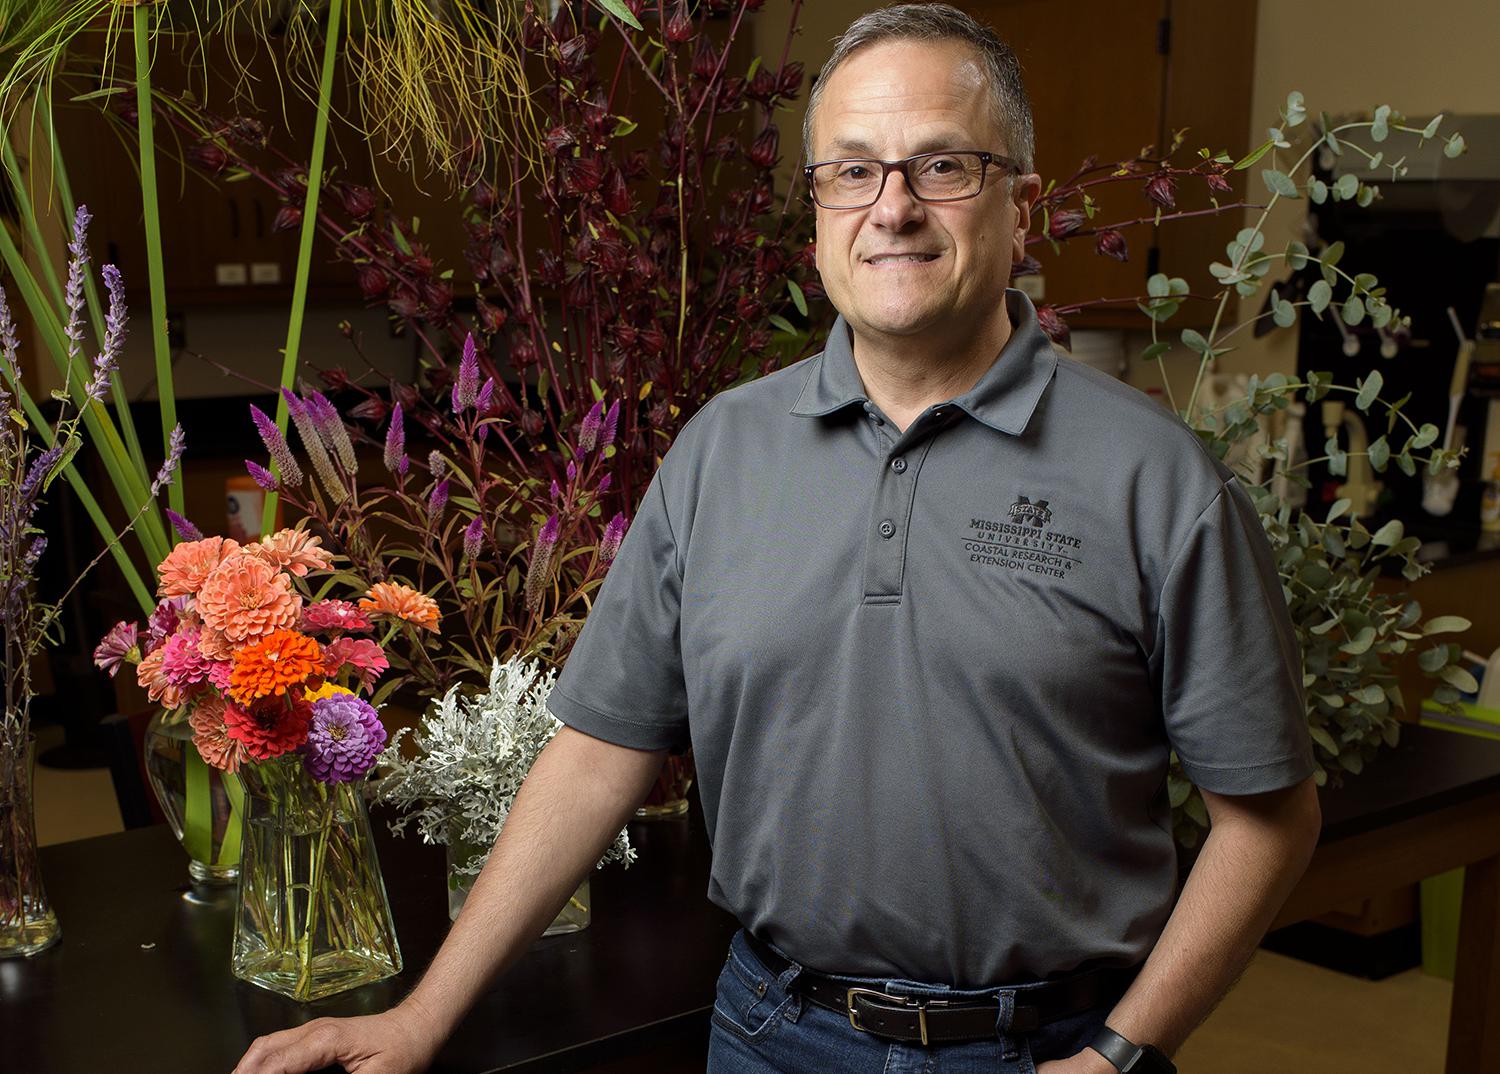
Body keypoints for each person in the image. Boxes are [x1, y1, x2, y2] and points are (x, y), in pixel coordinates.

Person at [233, 5, 1322, 1073]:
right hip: (771, 1035)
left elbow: (1270, 819)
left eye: (942, 166)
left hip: (1039, 1048)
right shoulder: (722, 453)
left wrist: (1121, 1056)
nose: (890, 208)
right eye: (852, 171)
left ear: (1021, 208)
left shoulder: (1154, 479)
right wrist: (422, 1018)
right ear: (816, 212)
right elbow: (602, 750)